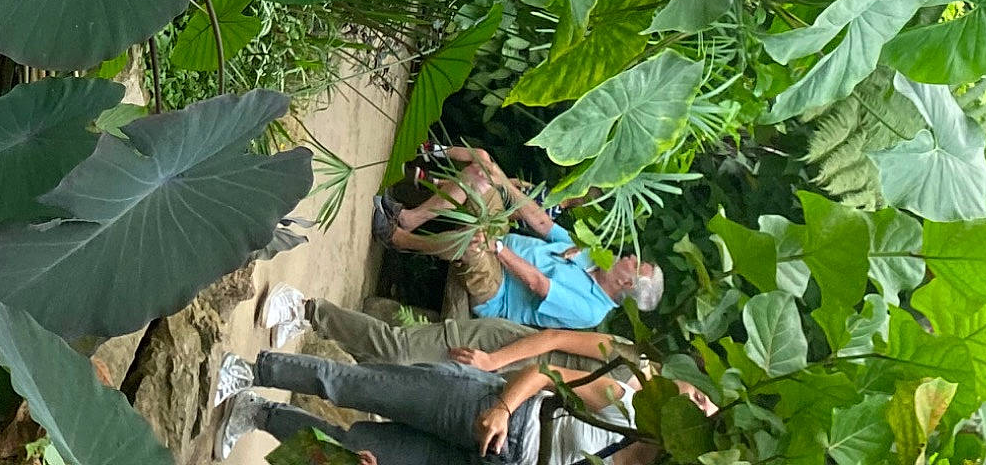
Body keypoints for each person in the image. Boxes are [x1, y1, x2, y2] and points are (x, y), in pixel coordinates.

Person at [214, 332, 678, 465]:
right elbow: (545, 373)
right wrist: (503, 408)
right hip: (494, 411)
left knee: (349, 455)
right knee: (364, 386)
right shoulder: (629, 408)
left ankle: (259, 414)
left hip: (488, 463)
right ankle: (256, 369)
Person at [373, 148, 663, 329]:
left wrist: (498, 249)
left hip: (496, 289)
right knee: (480, 175)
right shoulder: (594, 255)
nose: (631, 256)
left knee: (474, 242)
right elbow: (542, 222)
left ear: (627, 283)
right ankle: (410, 219)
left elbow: (538, 283)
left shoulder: (591, 311)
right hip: (499, 241)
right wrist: (500, 181)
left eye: (636, 265)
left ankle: (398, 239)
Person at [255, 285, 599, 374]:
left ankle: (318, 323)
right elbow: (556, 337)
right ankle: (306, 308)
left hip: (505, 384)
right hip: (500, 348)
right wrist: (493, 360)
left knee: (389, 370)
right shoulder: (625, 357)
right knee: (398, 350)